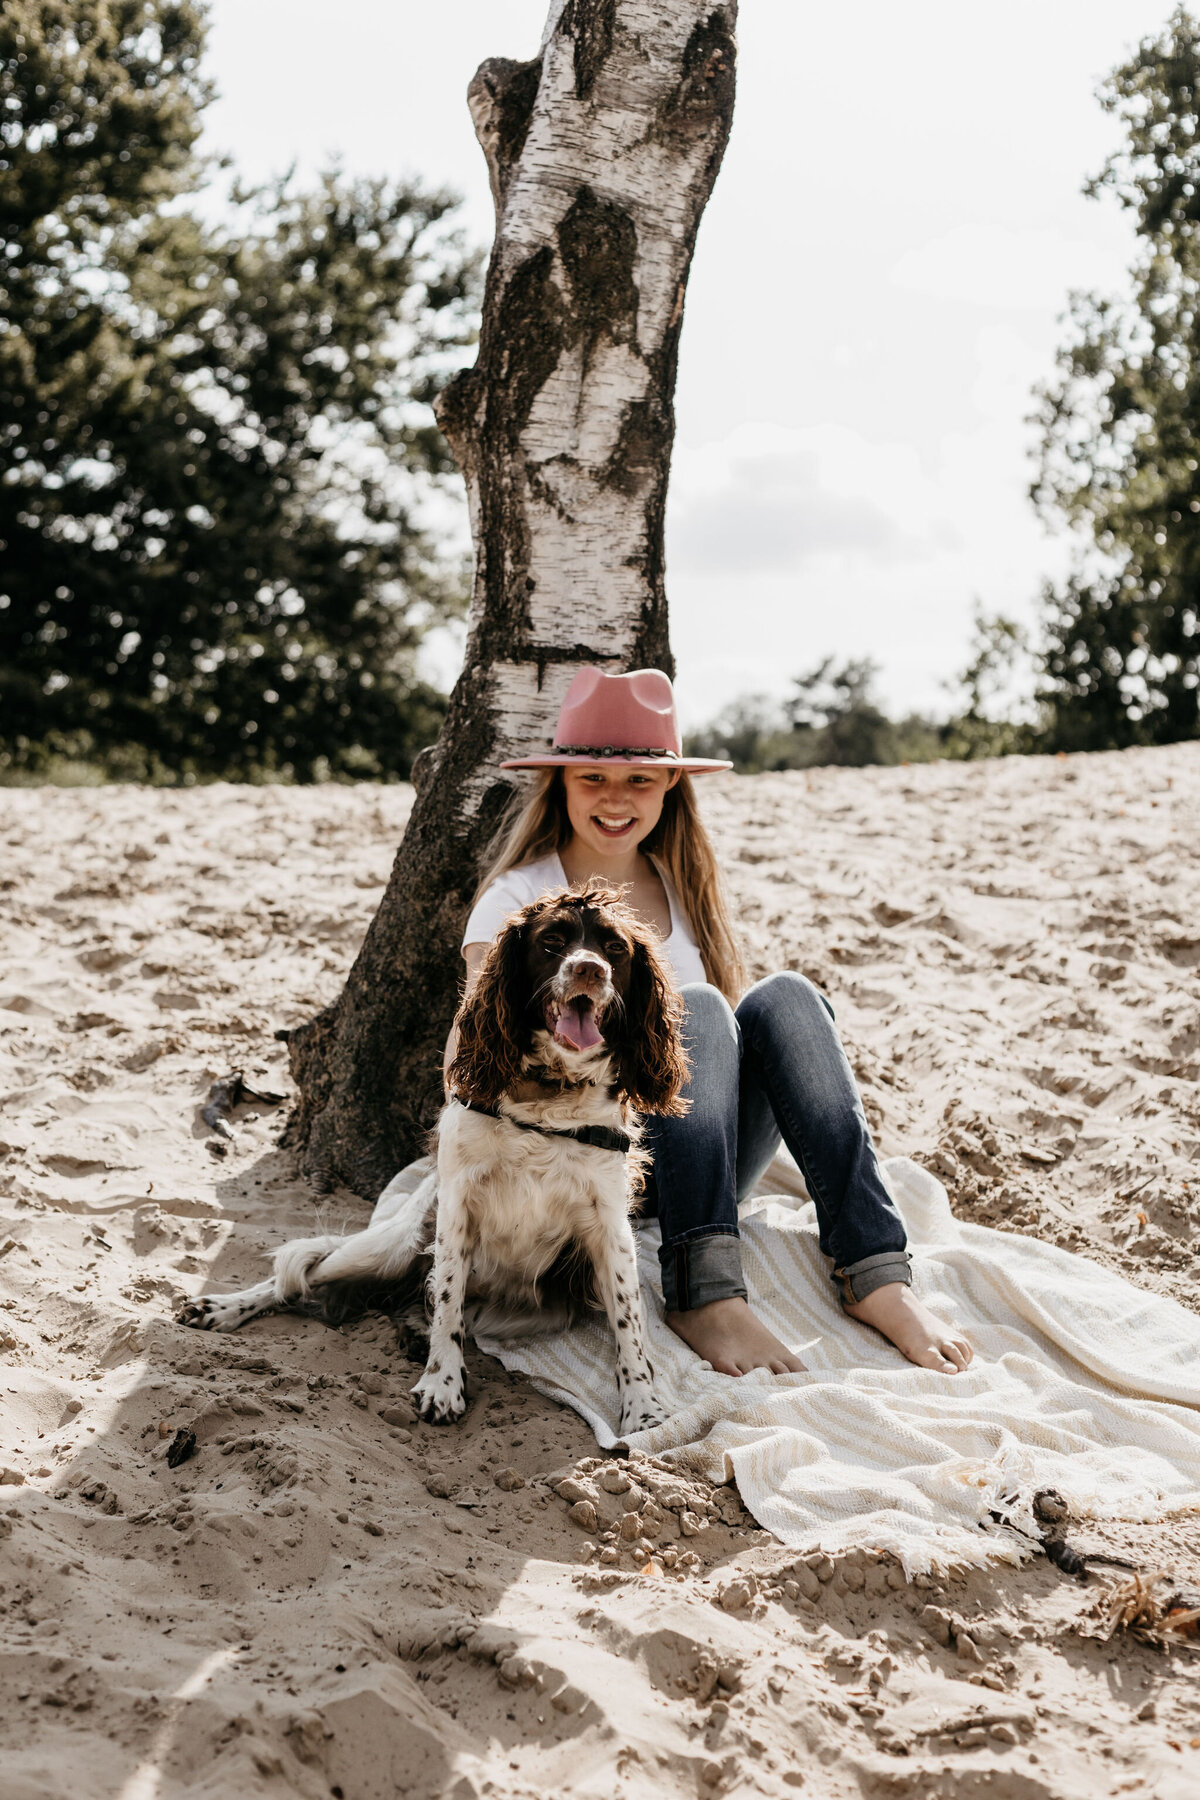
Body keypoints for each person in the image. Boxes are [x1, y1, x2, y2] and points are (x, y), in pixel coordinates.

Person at [447, 666, 972, 1380]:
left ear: (670, 788)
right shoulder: (520, 900)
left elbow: (712, 1056)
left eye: (640, 780)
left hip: (699, 1148)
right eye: (593, 780)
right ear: (560, 784)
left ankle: (878, 1274)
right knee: (697, 1005)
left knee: (786, 996)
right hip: (586, 1169)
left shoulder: (682, 889)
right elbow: (471, 1056)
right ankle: (705, 1293)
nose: (615, 799)